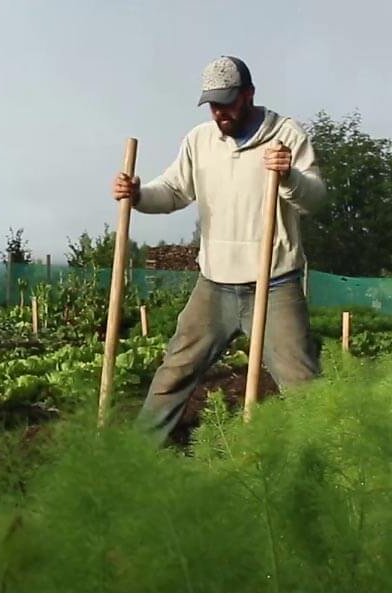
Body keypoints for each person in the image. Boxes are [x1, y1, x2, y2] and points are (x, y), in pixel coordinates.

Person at [111, 55, 326, 444]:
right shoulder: (200, 141)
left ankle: (333, 464)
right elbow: (174, 191)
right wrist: (139, 194)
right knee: (175, 370)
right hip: (214, 285)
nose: (219, 112)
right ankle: (136, 456)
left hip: (273, 284)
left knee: (301, 383)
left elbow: (315, 199)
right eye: (212, 103)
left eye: (227, 102)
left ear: (248, 95)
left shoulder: (286, 136)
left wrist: (290, 174)